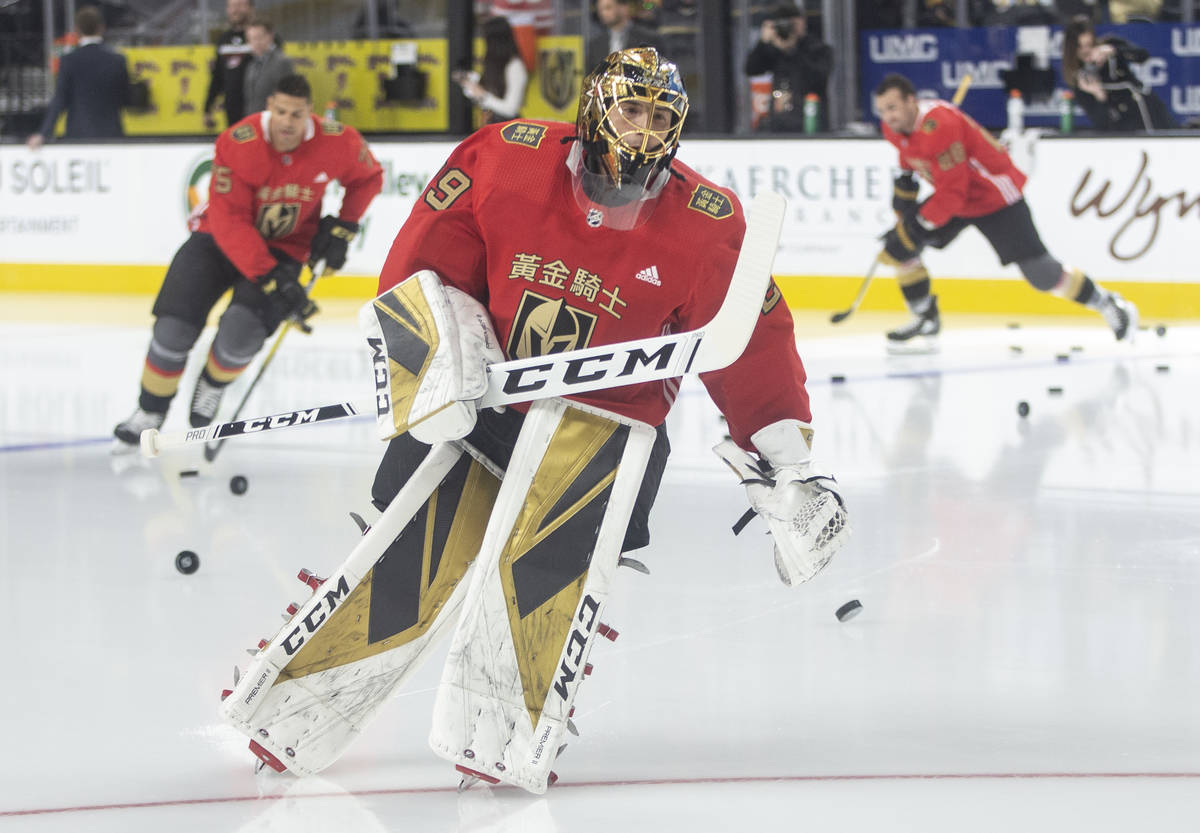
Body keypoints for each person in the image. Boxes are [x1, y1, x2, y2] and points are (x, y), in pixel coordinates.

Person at [217, 48, 849, 791]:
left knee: (542, 575)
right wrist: (435, 352)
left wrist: (786, 461)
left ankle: (503, 729)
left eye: (659, 117)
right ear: (595, 105)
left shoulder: (708, 224)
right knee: (409, 550)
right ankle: (293, 707)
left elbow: (750, 344)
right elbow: (425, 264)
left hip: (605, 427)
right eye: (630, 109)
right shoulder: (507, 156)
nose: (643, 130)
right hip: (485, 402)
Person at [112, 74, 384, 448]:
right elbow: (228, 219)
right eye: (281, 111)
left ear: (311, 113)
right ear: (269, 107)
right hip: (218, 241)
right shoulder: (238, 142)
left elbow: (368, 178)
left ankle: (212, 384)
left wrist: (345, 226)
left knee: (240, 339)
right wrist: (269, 276)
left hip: (285, 249)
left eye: (297, 114)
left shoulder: (338, 141)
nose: (288, 121)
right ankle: (150, 409)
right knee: (172, 331)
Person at [872, 73, 1138, 347]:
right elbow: (909, 152)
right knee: (902, 248)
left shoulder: (941, 125)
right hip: (956, 196)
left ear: (911, 101)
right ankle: (925, 317)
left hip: (993, 196)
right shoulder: (893, 127)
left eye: (892, 108)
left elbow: (953, 192)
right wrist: (905, 185)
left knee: (1042, 275)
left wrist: (916, 226)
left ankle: (1108, 304)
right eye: (881, 110)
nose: (887, 116)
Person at [26, 6, 128, 149]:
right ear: (101, 27)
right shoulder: (117, 59)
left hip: (78, 135)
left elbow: (60, 99)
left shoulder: (69, 60)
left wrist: (43, 133)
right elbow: (125, 98)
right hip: (111, 134)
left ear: (77, 30)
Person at [1062, 15, 1176, 131]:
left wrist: (1114, 51)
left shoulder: (1110, 44)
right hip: (1122, 127)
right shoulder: (1079, 79)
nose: (1086, 51)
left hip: (1147, 111)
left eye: (1089, 45)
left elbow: (1142, 56)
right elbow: (1100, 122)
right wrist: (1099, 94)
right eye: (1080, 47)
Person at [744, 2, 832, 132]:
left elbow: (818, 77)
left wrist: (793, 50)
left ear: (803, 22)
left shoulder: (818, 49)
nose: (789, 28)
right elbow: (751, 69)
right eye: (784, 24)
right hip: (779, 123)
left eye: (792, 23)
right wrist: (763, 42)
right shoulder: (776, 51)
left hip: (810, 122)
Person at [452, 16, 528, 125]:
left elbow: (511, 109)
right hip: (492, 127)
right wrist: (472, 85)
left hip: (509, 130)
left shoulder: (515, 66)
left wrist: (482, 95)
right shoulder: (496, 65)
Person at [203, 0, 256, 131]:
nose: (234, 10)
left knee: (258, 149)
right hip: (233, 110)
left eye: (239, 5)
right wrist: (207, 108)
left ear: (250, 8)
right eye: (231, 6)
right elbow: (217, 77)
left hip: (258, 110)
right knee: (237, 147)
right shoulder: (223, 39)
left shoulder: (262, 37)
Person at [585, 0, 664, 72]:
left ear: (623, 8)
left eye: (608, 8)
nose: (602, 13)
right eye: (600, 10)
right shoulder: (595, 45)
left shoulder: (648, 39)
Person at [242, 17, 294, 116]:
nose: (256, 43)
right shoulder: (251, 65)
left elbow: (289, 97)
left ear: (270, 36)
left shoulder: (282, 62)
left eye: (259, 37)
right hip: (253, 121)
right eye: (251, 39)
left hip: (273, 122)